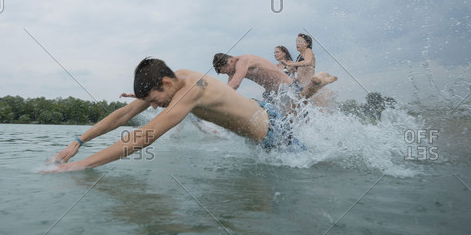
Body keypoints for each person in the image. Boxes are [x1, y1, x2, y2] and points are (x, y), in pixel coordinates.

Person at [44, 58, 337, 173]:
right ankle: (309, 89)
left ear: (166, 84)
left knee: (320, 167)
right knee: (291, 118)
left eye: (156, 100)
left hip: (272, 134)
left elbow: (145, 136)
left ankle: (311, 88)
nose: (155, 107)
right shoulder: (177, 77)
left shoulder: (189, 91)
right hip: (260, 117)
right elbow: (124, 115)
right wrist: (79, 139)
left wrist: (82, 165)